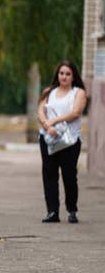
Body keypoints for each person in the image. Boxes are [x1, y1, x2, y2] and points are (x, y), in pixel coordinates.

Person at [37, 61, 86, 223]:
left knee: (69, 175)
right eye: (61, 73)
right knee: (49, 175)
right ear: (57, 75)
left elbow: (76, 112)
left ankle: (72, 210)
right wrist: (46, 125)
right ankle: (52, 211)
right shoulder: (48, 92)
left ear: (73, 77)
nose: (64, 76)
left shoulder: (78, 93)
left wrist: (54, 121)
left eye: (68, 74)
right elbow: (41, 111)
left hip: (69, 141)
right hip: (49, 139)